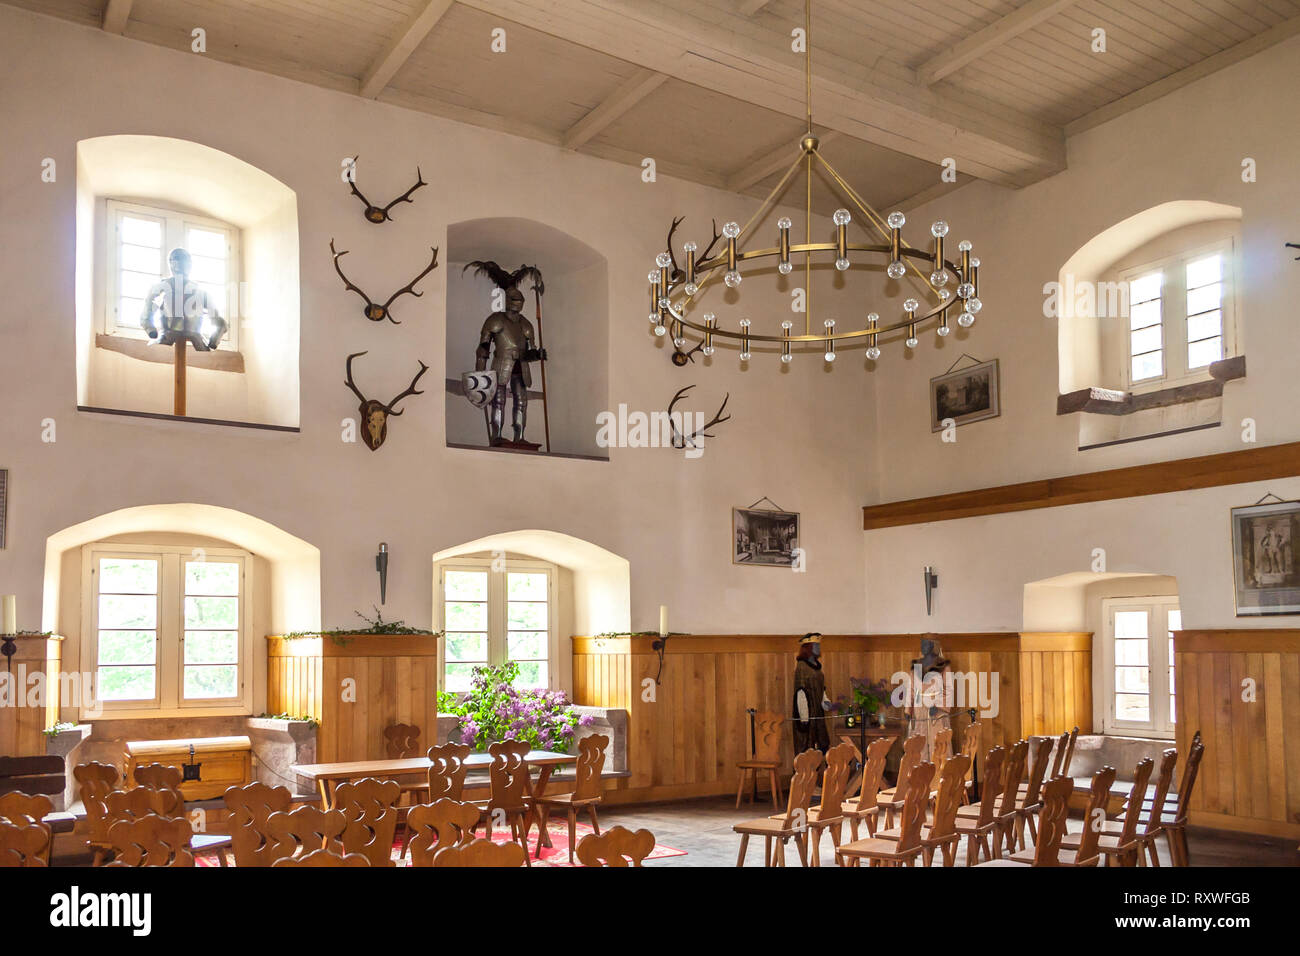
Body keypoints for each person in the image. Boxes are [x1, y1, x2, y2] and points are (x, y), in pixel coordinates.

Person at [475, 285, 547, 445]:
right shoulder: (496, 320)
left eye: (520, 300)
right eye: (515, 300)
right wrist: (480, 374)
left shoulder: (526, 324)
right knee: (498, 400)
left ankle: (519, 436)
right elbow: (483, 349)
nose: (518, 303)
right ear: (507, 301)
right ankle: (497, 435)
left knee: (522, 401)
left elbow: (529, 351)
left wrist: (538, 354)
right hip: (501, 363)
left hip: (521, 366)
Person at [139, 248, 228, 351]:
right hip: (186, 335)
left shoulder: (161, 288)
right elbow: (221, 325)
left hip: (171, 335)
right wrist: (213, 341)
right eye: (179, 260)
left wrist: (151, 331)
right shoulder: (201, 292)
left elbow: (145, 317)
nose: (181, 264)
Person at [792, 633, 830, 756]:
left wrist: (825, 700)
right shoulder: (802, 667)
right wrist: (804, 717)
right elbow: (801, 693)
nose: (818, 648)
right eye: (815, 645)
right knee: (806, 746)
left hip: (818, 713)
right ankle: (803, 775)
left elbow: (820, 688)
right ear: (808, 647)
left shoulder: (817, 667)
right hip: (807, 714)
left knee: (822, 743)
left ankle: (818, 774)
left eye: (819, 645)